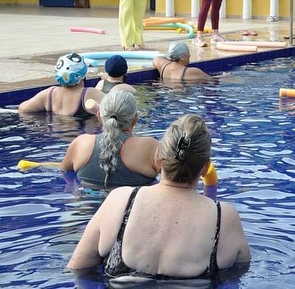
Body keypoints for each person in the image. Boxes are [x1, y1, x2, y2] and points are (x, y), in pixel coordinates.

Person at [67, 114, 251, 281]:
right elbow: (240, 272)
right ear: (205, 168)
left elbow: (79, 267)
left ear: (158, 160)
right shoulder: (224, 217)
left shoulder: (120, 200)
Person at [60, 91, 159, 188]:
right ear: (135, 118)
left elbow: (65, 173)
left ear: (99, 116)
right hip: (134, 202)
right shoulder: (150, 147)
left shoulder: (80, 144)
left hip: (87, 202)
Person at [18, 52, 103, 116]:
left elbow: (22, 109)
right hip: (81, 135)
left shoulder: (49, 94)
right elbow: (114, 105)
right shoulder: (89, 94)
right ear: (82, 76)